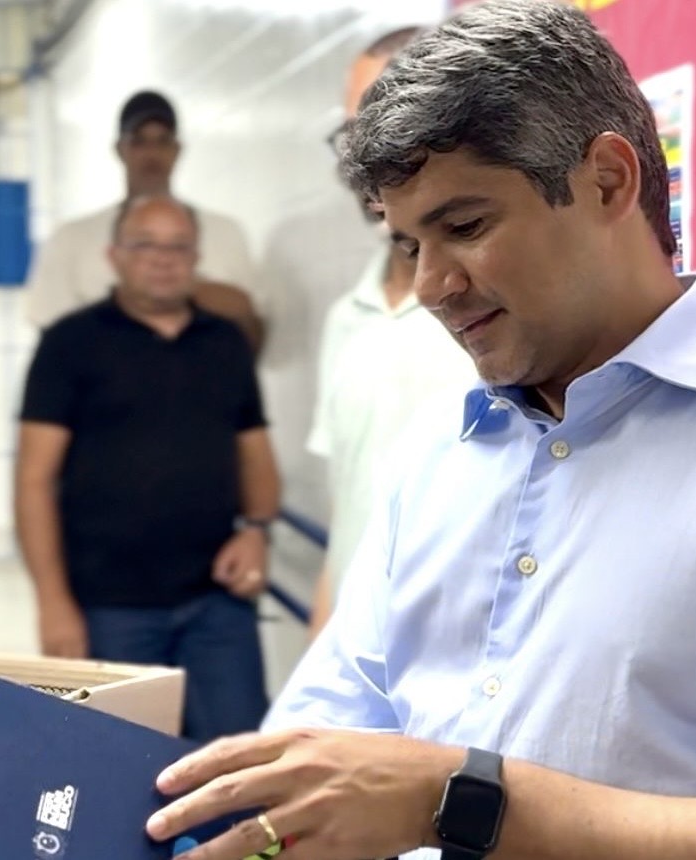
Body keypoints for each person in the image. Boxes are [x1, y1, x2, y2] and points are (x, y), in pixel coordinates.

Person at [144, 2, 696, 858]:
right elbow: (320, 745)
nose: (434, 284)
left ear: (608, 181)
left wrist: (463, 801)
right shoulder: (437, 458)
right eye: (408, 244)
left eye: (466, 227)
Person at [16, 194, 280, 741]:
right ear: (114, 255)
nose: (163, 259)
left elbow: (255, 453)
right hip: (109, 608)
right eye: (146, 245)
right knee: (120, 767)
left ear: (195, 257)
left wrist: (256, 532)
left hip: (216, 605)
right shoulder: (69, 344)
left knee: (240, 762)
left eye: (178, 247)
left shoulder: (225, 344)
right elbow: (34, 480)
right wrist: (53, 602)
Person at [306, 26, 474, 637]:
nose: (360, 159)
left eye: (382, 127)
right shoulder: (345, 319)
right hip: (355, 673)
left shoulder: (494, 314)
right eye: (351, 135)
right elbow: (348, 512)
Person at [23, 90, 265, 351]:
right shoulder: (71, 238)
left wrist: (196, 293)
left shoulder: (226, 233)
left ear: (177, 149)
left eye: (163, 140)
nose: (152, 153)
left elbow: (251, 334)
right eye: (139, 141)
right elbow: (54, 339)